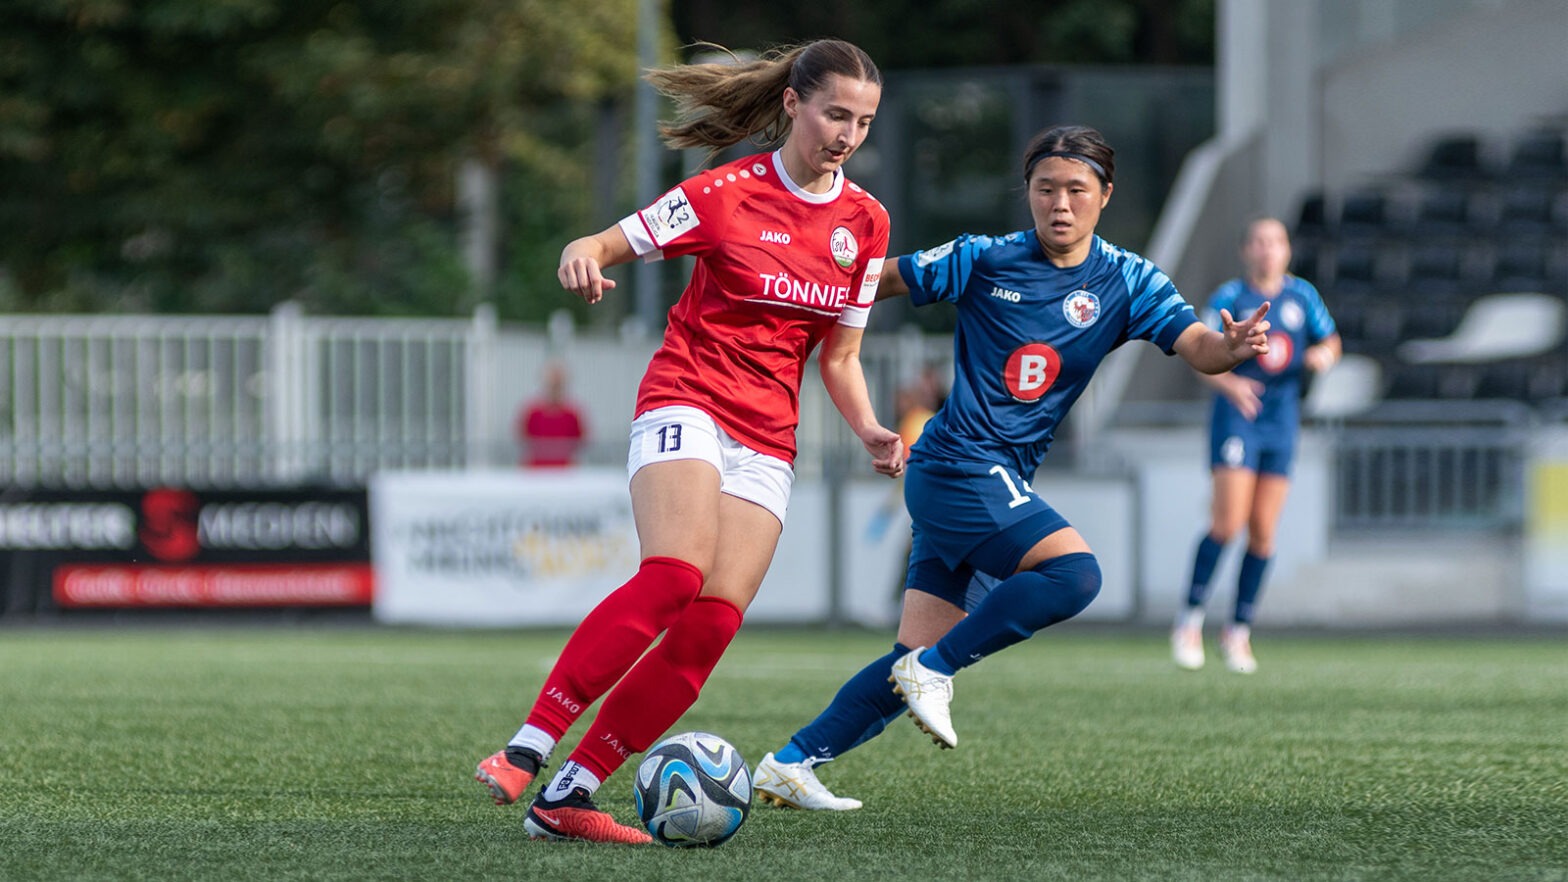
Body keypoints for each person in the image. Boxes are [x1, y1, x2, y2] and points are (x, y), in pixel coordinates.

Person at [750, 124, 1272, 811]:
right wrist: (781, 287)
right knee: (1073, 573)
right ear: (1026, 193)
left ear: (1105, 196)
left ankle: (791, 763)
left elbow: (1198, 346)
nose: (1059, 204)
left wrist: (1231, 348)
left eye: (1076, 190)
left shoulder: (1129, 280)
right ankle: (936, 672)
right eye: (1045, 188)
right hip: (959, 465)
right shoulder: (985, 259)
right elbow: (878, 280)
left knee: (906, 656)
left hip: (989, 478)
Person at [471, 38, 904, 844]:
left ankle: (569, 795)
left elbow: (838, 356)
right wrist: (582, 256)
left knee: (711, 624)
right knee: (674, 575)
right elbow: (601, 244)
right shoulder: (724, 193)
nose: (847, 134)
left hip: (769, 434)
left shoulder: (866, 223)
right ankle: (527, 749)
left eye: (863, 121)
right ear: (792, 105)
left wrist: (872, 427)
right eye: (835, 113)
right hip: (688, 397)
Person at [1171, 217, 1340, 673]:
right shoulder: (1229, 298)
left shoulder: (1302, 296)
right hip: (1237, 420)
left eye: (1276, 242)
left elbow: (1331, 341)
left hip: (1281, 423)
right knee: (1227, 522)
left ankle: (1238, 630)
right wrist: (1233, 387)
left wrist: (1323, 356)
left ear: (1286, 250)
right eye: (1259, 242)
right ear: (1247, 250)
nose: (1268, 250)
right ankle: (1190, 620)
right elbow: (1199, 352)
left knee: (1264, 530)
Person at [515, 361, 587, 467]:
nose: (555, 388)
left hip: (565, 471)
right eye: (552, 384)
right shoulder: (532, 412)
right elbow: (521, 437)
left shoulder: (573, 414)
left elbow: (582, 440)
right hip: (537, 470)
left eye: (558, 385)